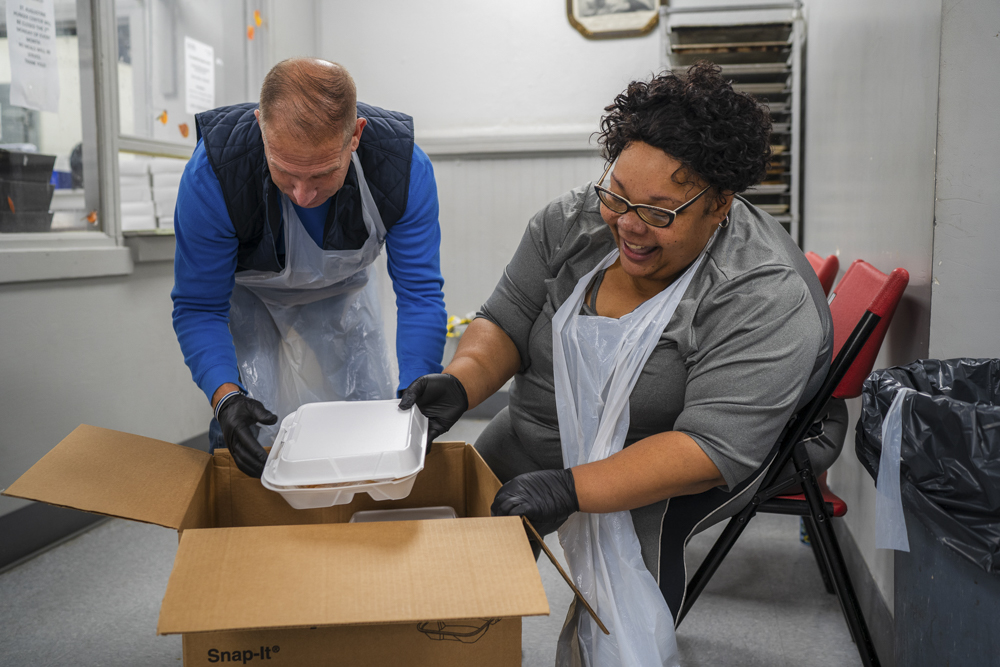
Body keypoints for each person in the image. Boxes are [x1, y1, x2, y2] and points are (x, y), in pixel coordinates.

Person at [399, 63, 847, 665]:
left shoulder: (760, 291)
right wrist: (464, 380)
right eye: (617, 194)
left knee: (624, 576)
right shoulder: (572, 221)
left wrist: (573, 487)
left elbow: (711, 447)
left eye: (660, 211)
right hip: (548, 424)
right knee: (472, 539)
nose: (628, 225)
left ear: (719, 204)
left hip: (674, 456)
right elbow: (506, 319)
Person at [172, 59, 446, 478]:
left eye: (322, 174)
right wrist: (226, 398)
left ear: (355, 135)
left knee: (368, 427)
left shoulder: (402, 170)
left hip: (345, 296)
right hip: (249, 302)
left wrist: (416, 393)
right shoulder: (214, 173)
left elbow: (420, 296)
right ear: (261, 126)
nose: (302, 195)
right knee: (249, 429)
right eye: (284, 171)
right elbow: (198, 307)